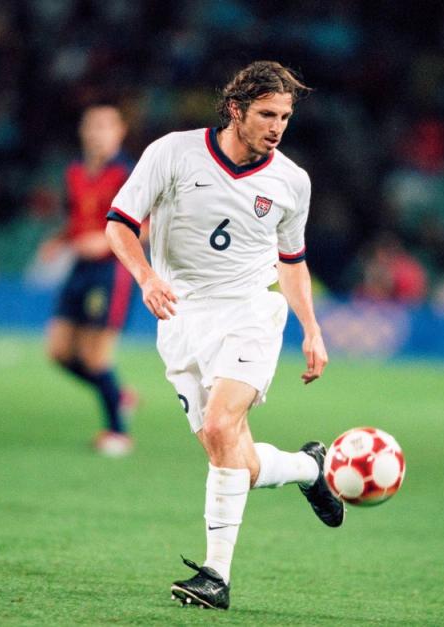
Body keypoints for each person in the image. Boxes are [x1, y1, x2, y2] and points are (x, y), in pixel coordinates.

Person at [105, 61, 343, 611]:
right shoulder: (173, 153)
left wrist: (311, 328)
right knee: (230, 453)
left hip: (248, 313)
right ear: (235, 109)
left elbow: (292, 261)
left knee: (220, 424)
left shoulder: (292, 181)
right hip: (180, 319)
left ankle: (216, 577)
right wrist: (147, 277)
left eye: (285, 116)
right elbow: (118, 223)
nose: (277, 127)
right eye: (266, 114)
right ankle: (310, 467)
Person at [38, 104, 137, 456]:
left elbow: (149, 224)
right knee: (59, 352)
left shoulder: (129, 174)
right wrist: (59, 240)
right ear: (83, 131)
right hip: (80, 267)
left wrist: (106, 241)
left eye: (105, 126)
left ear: (120, 132)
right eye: (92, 126)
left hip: (113, 270)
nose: (98, 133)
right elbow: (78, 218)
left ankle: (118, 433)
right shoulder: (75, 171)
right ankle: (118, 394)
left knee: (95, 356)